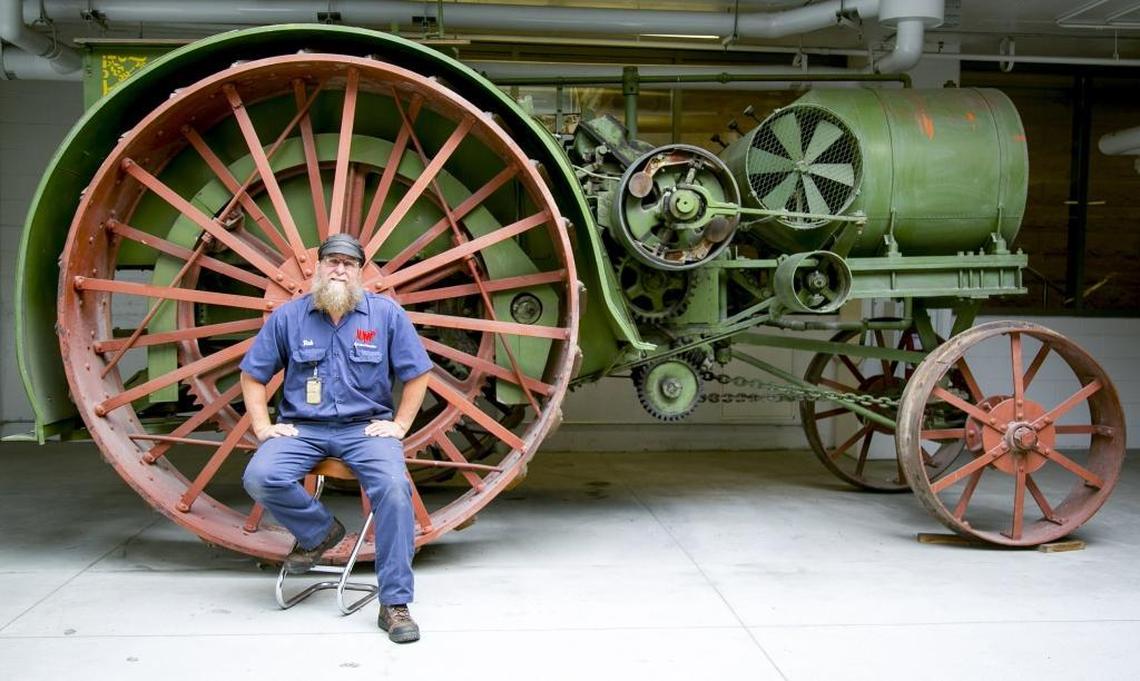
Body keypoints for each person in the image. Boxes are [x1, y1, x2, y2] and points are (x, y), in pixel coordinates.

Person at [239, 233, 432, 644]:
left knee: (395, 489)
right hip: (303, 429)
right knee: (260, 476)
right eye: (332, 261)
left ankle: (394, 603)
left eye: (349, 263)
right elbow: (253, 375)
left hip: (365, 429)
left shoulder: (385, 315)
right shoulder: (289, 317)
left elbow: (418, 373)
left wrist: (399, 426)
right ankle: (318, 532)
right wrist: (262, 427)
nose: (340, 269)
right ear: (319, 267)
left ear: (360, 271)